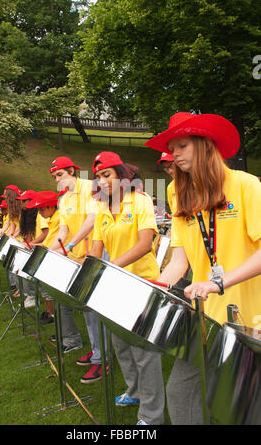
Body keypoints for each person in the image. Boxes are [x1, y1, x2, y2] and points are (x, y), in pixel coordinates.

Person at [145, 111, 261, 424]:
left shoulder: (246, 186)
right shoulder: (176, 191)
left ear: (205, 145)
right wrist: (157, 287)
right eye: (172, 147)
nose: (173, 153)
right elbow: (181, 259)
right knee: (182, 392)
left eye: (182, 145)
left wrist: (219, 283)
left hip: (251, 316)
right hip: (205, 314)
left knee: (242, 408)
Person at [90, 151, 165, 426]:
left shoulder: (141, 200)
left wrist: (111, 267)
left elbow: (145, 243)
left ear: (122, 175)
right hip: (114, 283)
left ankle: (151, 415)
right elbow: (97, 248)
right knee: (120, 344)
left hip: (141, 282)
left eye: (107, 175)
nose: (103, 181)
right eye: (98, 176)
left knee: (144, 353)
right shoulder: (101, 208)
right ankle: (134, 392)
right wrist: (91, 269)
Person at [49, 156, 108, 382]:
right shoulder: (63, 200)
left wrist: (74, 246)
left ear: (72, 171)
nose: (57, 179)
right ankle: (97, 349)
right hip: (77, 256)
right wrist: (51, 252)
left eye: (60, 174)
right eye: (55, 177)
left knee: (94, 309)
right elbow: (62, 233)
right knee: (86, 307)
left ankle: (102, 359)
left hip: (95, 253)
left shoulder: (89, 187)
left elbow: (92, 220)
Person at [26, 191, 61, 321]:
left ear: (50, 207)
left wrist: (38, 246)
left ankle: (53, 315)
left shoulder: (58, 219)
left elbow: (53, 242)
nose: (39, 212)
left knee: (55, 296)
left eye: (41, 209)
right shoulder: (53, 219)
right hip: (51, 254)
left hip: (58, 258)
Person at [15, 190, 49, 308]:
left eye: (24, 201)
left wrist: (32, 244)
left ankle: (49, 311)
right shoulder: (27, 215)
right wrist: (28, 244)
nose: (21, 204)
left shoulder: (40, 214)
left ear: (31, 201)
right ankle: (30, 295)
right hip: (35, 248)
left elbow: (46, 233)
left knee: (41, 282)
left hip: (42, 249)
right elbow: (29, 233)